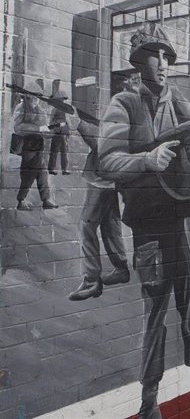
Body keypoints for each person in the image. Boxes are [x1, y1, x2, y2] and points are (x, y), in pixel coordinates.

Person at [98, 22, 190, 419]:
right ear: (139, 62)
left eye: (166, 57)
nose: (162, 64)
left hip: (184, 214)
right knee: (155, 310)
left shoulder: (180, 103)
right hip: (150, 222)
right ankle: (149, 403)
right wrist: (146, 160)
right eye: (155, 56)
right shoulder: (123, 104)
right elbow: (107, 161)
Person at [67, 86, 132, 301]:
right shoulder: (126, 112)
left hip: (101, 180)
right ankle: (121, 268)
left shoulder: (121, 115)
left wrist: (79, 125)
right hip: (108, 181)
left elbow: (102, 145)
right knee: (110, 226)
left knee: (87, 227)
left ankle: (92, 280)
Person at [12, 80, 59, 210]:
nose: (35, 99)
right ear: (27, 96)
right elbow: (17, 128)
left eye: (37, 96)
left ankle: (45, 200)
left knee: (42, 173)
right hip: (26, 146)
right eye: (32, 96)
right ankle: (22, 201)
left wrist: (50, 132)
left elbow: (44, 128)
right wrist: (37, 129)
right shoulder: (21, 108)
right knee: (29, 174)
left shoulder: (40, 110)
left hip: (39, 145)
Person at [47, 89, 71, 175]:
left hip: (64, 133)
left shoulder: (65, 109)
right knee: (54, 151)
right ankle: (52, 168)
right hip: (57, 132)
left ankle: (65, 169)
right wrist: (56, 126)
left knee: (64, 152)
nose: (62, 101)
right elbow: (51, 121)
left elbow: (68, 121)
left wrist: (68, 130)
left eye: (63, 100)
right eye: (61, 100)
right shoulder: (54, 109)